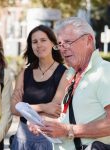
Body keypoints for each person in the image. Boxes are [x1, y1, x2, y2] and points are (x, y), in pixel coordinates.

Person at [38, 17, 110, 150]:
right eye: (59, 44)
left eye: (68, 42)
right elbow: (71, 119)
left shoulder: (105, 71)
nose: (62, 49)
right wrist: (46, 124)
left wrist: (67, 130)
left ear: (88, 41)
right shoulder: (72, 75)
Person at [10, 25, 68, 150]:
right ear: (31, 46)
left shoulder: (64, 73)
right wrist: (44, 107)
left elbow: (55, 111)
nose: (39, 45)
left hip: (48, 139)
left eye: (43, 40)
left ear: (53, 43)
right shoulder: (24, 73)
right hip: (22, 138)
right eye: (34, 42)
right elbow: (14, 109)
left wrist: (24, 108)